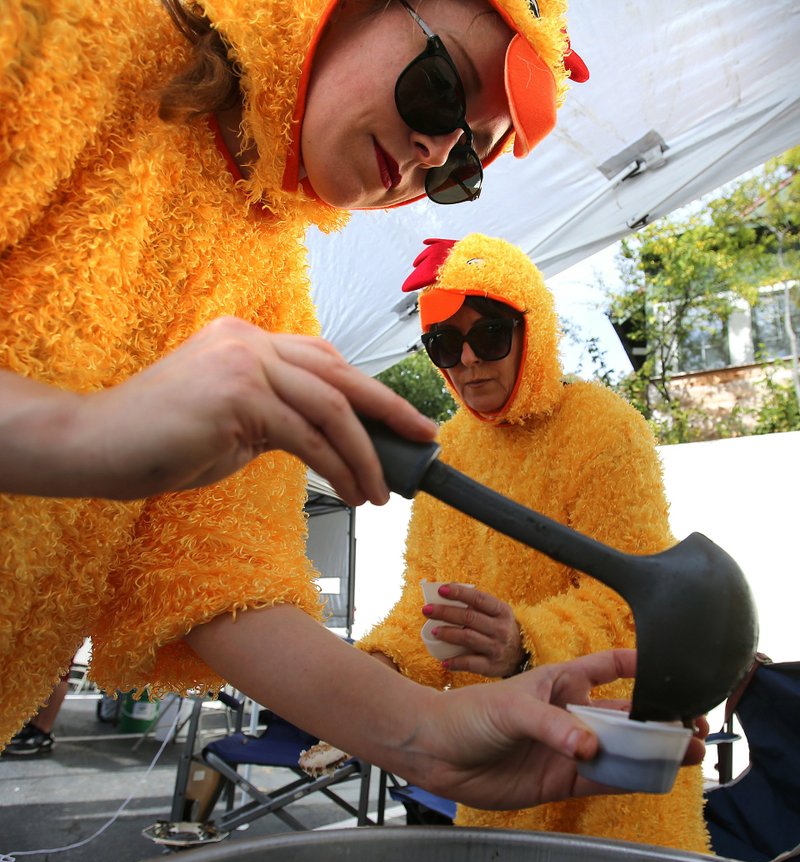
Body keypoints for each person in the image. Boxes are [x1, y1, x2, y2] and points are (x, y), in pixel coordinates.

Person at [0, 0, 696, 811]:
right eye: (443, 89)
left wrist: (429, 736)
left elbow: (216, 579)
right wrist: (85, 435)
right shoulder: (64, 28)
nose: (435, 148)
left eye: (459, 163)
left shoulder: (268, 292)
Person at [356, 233, 710, 851]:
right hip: (496, 769)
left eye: (488, 335)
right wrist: (378, 665)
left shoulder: (605, 428)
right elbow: (428, 605)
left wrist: (525, 643)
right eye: (443, 343)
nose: (466, 361)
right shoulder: (448, 449)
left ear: (533, 329)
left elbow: (635, 604)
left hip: (610, 769)